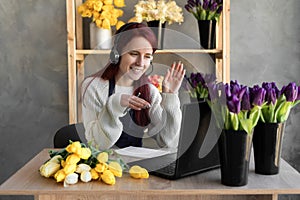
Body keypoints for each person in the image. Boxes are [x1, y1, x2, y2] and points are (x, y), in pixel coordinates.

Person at [81, 22, 186, 150]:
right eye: (134, 54)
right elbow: (96, 144)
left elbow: (169, 143)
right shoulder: (94, 87)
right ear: (117, 53)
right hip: (103, 167)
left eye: (147, 56)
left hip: (136, 167)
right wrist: (114, 105)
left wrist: (170, 97)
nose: (140, 63)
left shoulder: (149, 91)